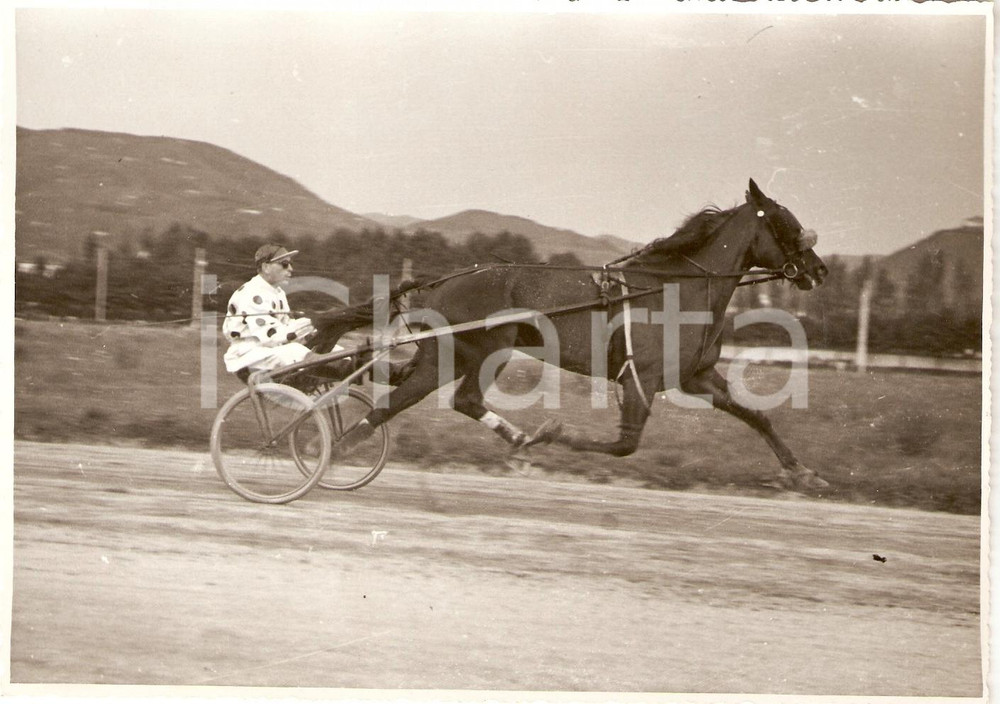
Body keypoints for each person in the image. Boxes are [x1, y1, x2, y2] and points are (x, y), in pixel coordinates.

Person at [222, 244, 358, 383]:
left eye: (290, 264)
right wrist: (312, 322)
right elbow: (272, 335)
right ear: (266, 267)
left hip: (270, 351)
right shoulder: (252, 294)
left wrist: (315, 331)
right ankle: (347, 369)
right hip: (249, 356)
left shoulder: (277, 292)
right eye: (284, 264)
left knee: (336, 351)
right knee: (295, 351)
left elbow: (287, 324)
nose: (290, 269)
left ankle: (355, 366)